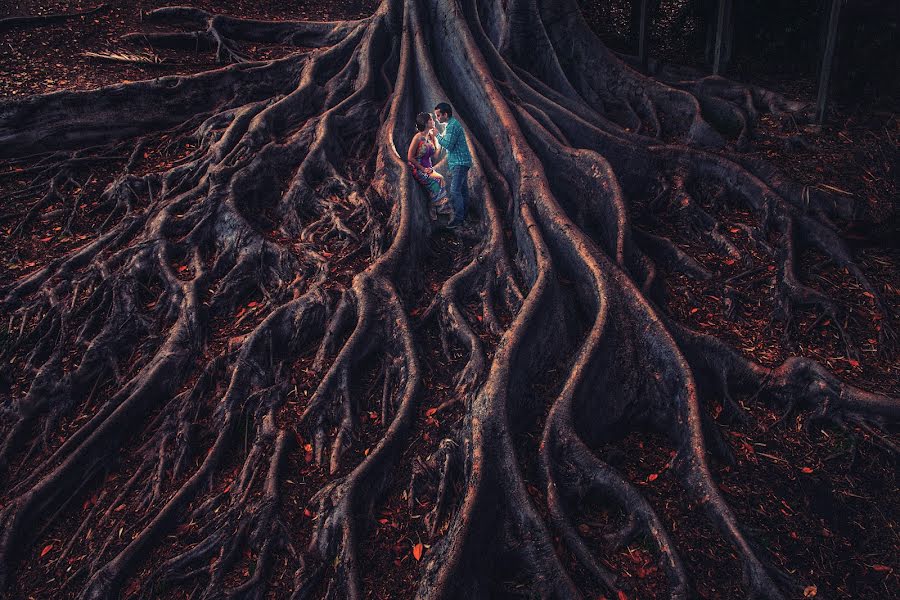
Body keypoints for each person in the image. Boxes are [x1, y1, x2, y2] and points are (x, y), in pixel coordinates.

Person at [407, 112, 453, 223]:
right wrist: (423, 169)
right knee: (439, 179)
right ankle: (441, 208)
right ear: (426, 123)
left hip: (429, 166)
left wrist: (438, 139)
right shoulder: (417, 138)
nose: (433, 120)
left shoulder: (431, 135)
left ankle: (433, 204)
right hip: (418, 168)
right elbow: (410, 157)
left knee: (440, 179)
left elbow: (436, 154)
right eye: (431, 119)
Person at [433, 102, 472, 227]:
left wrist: (437, 135)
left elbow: (449, 145)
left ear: (446, 114)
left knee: (455, 191)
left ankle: (459, 219)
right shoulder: (450, 125)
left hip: (459, 163)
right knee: (463, 190)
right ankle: (465, 214)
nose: (437, 118)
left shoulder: (452, 126)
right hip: (461, 162)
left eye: (439, 115)